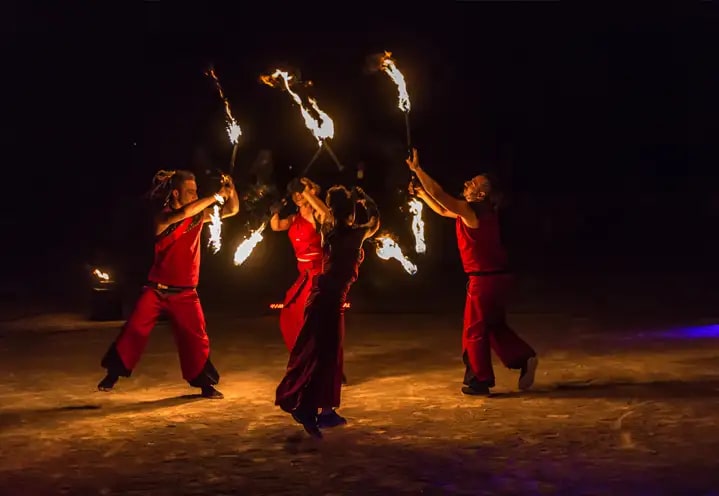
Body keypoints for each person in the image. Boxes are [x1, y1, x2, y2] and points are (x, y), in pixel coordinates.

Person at [97, 169, 240, 399]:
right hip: (156, 290)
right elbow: (183, 213)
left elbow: (232, 210)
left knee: (196, 339)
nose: (195, 195)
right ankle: (113, 374)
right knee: (134, 329)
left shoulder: (198, 216)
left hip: (186, 293)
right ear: (175, 193)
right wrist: (216, 195)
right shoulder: (162, 218)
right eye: (190, 191)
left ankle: (205, 385)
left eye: (196, 192)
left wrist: (230, 190)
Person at [406, 148, 537, 395]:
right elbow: (442, 209)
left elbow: (440, 195)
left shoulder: (472, 210)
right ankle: (523, 357)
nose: (467, 183)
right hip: (497, 279)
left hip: (484, 282)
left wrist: (417, 170)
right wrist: (422, 195)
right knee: (494, 325)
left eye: (473, 183)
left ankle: (480, 379)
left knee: (474, 330)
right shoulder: (481, 211)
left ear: (481, 193)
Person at [275, 183, 380, 437]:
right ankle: (306, 407)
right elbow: (376, 220)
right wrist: (366, 198)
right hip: (327, 302)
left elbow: (334, 216)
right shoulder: (355, 234)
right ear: (352, 213)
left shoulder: (328, 229)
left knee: (327, 356)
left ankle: (324, 411)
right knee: (321, 357)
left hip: (322, 299)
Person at [269, 177, 327, 351]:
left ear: (313, 191)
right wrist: (274, 211)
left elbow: (325, 213)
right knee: (290, 313)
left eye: (302, 190)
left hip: (317, 273)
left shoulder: (317, 215)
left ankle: (316, 354)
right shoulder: (294, 218)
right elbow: (276, 226)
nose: (298, 194)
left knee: (309, 315)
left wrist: (306, 192)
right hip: (303, 274)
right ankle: (303, 354)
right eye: (295, 191)